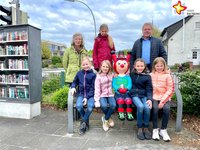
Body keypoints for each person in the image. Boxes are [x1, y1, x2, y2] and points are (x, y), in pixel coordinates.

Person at [70, 57, 96, 135]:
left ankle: (83, 123)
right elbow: (74, 82)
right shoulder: (79, 73)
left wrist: (87, 97)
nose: (85, 66)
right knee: (78, 106)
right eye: (84, 64)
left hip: (90, 95)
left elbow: (93, 88)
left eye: (87, 64)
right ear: (81, 65)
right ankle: (86, 122)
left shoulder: (93, 75)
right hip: (81, 94)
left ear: (90, 64)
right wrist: (73, 87)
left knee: (90, 107)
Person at [150, 57, 174, 142]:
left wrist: (163, 101)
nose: (159, 67)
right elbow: (148, 87)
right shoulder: (151, 75)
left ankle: (163, 130)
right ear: (154, 66)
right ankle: (155, 129)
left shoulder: (167, 76)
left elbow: (170, 89)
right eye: (157, 66)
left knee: (167, 109)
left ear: (164, 66)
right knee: (155, 108)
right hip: (154, 97)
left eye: (161, 65)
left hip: (164, 97)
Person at [130, 58, 153, 140]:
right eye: (138, 66)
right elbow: (126, 81)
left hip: (144, 95)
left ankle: (146, 128)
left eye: (141, 66)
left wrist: (150, 99)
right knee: (140, 107)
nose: (140, 67)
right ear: (134, 66)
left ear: (144, 66)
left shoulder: (147, 76)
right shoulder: (132, 75)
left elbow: (149, 89)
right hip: (135, 95)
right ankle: (140, 127)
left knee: (147, 107)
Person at [94, 60, 116, 131]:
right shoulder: (98, 76)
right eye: (103, 66)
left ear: (109, 68)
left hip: (110, 94)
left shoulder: (112, 74)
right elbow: (97, 89)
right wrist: (97, 100)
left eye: (107, 67)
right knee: (103, 105)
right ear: (101, 67)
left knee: (113, 105)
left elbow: (119, 77)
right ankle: (108, 118)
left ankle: (105, 119)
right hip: (102, 95)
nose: (105, 68)